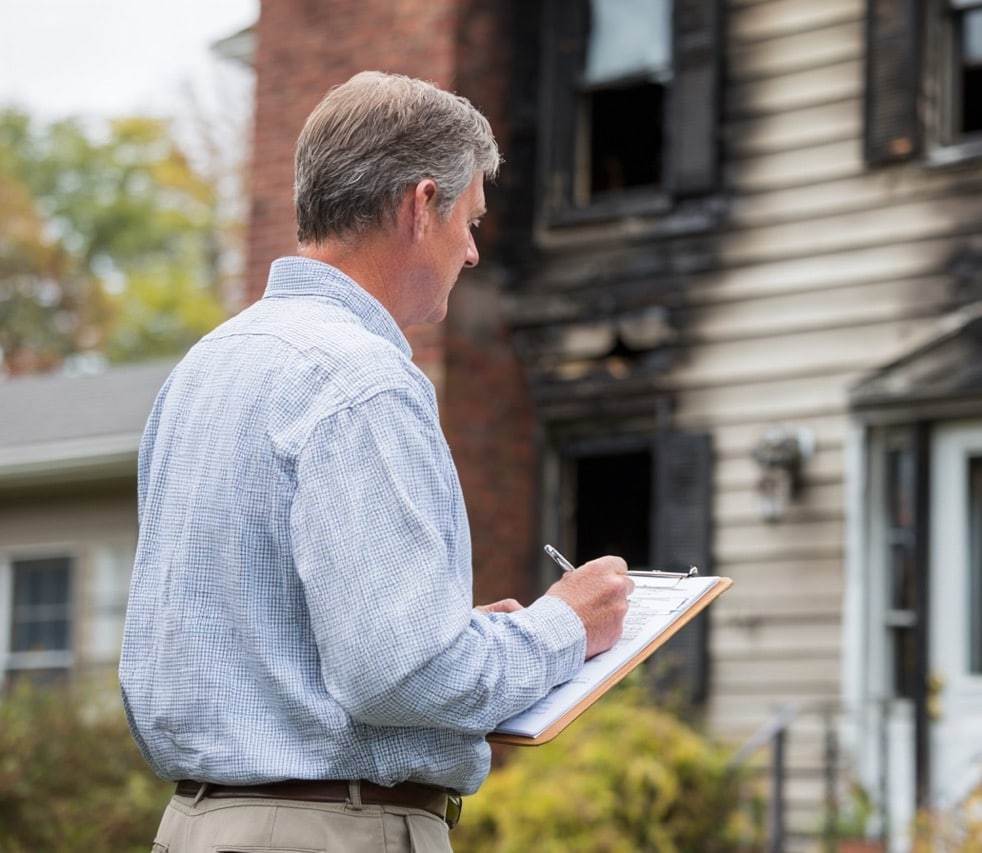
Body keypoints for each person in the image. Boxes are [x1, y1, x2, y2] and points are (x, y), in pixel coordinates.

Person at [119, 71, 634, 853]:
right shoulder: (363, 381)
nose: (470, 251)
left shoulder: (201, 369)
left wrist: (461, 640)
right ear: (420, 204)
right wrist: (566, 625)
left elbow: (287, 637)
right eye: (470, 219)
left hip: (195, 826)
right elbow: (403, 676)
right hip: (330, 829)